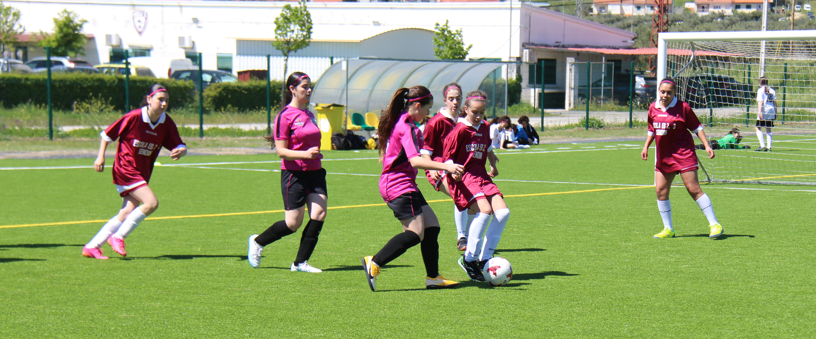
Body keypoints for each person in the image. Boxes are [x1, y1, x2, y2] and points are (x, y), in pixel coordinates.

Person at [361, 85, 464, 292]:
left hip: (405, 184)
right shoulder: (405, 126)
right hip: (397, 185)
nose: (428, 114)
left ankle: (433, 277)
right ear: (417, 106)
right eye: (427, 109)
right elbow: (415, 162)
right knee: (415, 233)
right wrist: (446, 166)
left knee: (432, 226)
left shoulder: (404, 121)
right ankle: (375, 262)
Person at [82, 84, 187, 259]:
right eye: (160, 99)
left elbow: (179, 143)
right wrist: (100, 157)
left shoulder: (165, 122)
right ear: (149, 99)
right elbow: (107, 135)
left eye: (166, 101)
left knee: (126, 211)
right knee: (151, 203)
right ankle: (118, 236)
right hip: (126, 168)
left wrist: (182, 150)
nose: (163, 104)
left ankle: (92, 246)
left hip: (141, 172)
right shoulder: (134, 117)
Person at [247, 72, 326, 273]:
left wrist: (313, 153)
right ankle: (258, 241)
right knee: (293, 224)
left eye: (310, 87)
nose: (309, 90)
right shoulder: (285, 116)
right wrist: (304, 154)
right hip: (294, 174)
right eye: (304, 87)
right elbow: (281, 151)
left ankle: (300, 263)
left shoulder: (310, 114)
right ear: (292, 89)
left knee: (319, 213)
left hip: (315, 172)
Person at [641, 78, 723, 239]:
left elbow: (697, 128)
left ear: (675, 93)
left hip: (683, 154)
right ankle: (668, 229)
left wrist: (706, 145)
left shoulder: (683, 107)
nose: (665, 95)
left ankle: (715, 224)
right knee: (660, 191)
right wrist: (646, 146)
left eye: (669, 92)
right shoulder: (653, 108)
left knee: (693, 189)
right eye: (662, 92)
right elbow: (652, 129)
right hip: (664, 156)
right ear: (659, 91)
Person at [442, 90, 510, 282]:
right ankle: (469, 259)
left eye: (482, 112)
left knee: (503, 213)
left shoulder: (485, 126)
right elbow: (447, 155)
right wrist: (450, 170)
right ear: (466, 109)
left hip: (481, 175)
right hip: (465, 176)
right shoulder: (460, 129)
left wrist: (493, 165)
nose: (479, 116)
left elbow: (487, 147)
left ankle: (485, 258)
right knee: (485, 210)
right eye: (475, 112)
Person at [421, 83, 475, 252]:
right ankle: (462, 237)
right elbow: (425, 150)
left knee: (475, 201)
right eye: (451, 99)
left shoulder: (463, 121)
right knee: (462, 195)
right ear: (445, 100)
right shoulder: (436, 122)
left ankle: (471, 237)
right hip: (439, 170)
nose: (455, 102)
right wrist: (431, 168)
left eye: (458, 99)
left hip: (457, 168)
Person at [755, 76, 776, 152]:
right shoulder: (772, 90)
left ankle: (762, 145)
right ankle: (769, 147)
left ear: (760, 82)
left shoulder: (760, 90)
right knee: (768, 128)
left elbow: (761, 102)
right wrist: (775, 112)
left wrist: (759, 112)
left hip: (764, 110)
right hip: (771, 110)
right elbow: (774, 102)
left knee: (757, 127)